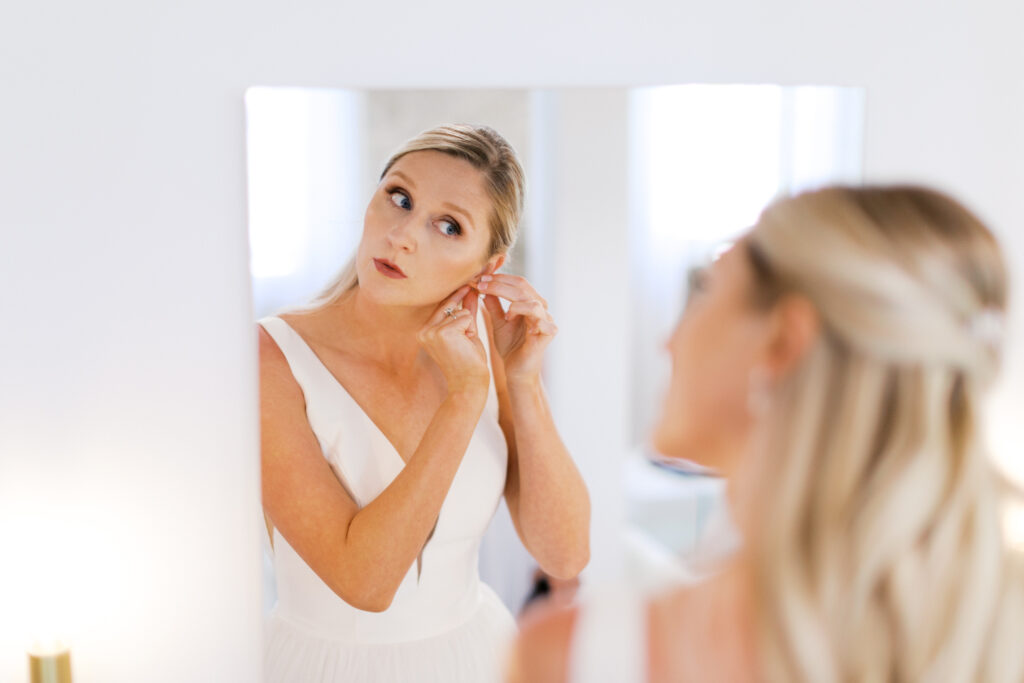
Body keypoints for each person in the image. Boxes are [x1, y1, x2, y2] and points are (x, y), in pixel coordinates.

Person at [508, 186, 1024, 682]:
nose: (668, 343)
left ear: (782, 344)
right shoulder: (998, 630)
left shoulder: (575, 658)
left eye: (706, 291)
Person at [258, 124, 590, 682]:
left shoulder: (487, 336)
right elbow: (365, 582)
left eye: (449, 225)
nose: (404, 234)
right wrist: (463, 398)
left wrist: (525, 383)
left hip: (478, 655)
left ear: (489, 266)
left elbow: (566, 557)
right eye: (400, 197)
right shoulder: (272, 357)